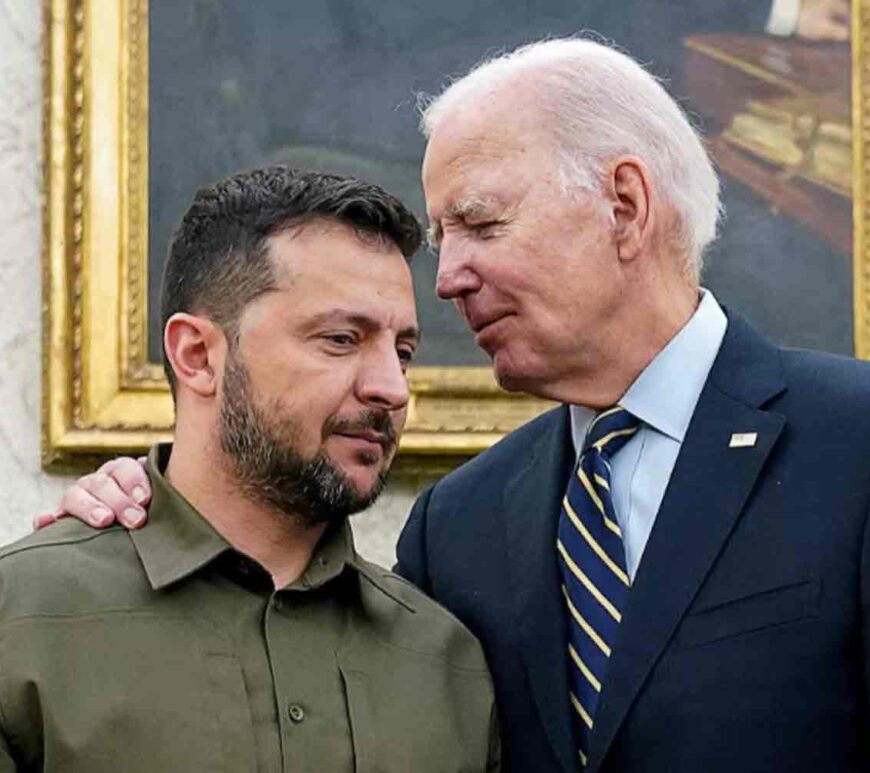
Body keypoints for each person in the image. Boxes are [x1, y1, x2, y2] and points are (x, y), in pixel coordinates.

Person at [41, 38, 870, 772]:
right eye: (443, 239)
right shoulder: (460, 526)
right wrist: (150, 505)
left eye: (480, 223)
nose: (447, 279)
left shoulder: (854, 440)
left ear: (625, 205)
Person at [2, 167, 499, 772]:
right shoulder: (23, 622)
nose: (392, 389)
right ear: (198, 355)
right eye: (342, 339)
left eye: (403, 352)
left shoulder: (447, 661)